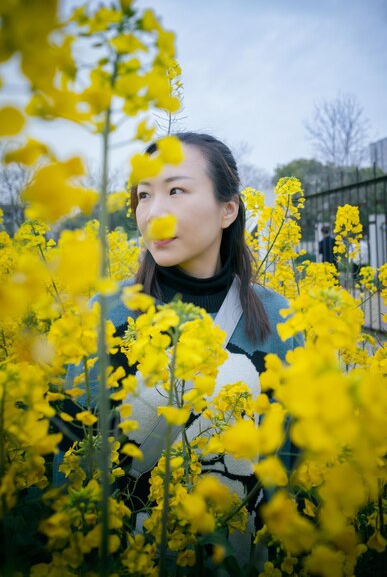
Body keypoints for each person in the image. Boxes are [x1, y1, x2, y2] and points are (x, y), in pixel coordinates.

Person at [58, 132, 301, 563]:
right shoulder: (107, 313)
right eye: (143, 195)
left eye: (176, 190)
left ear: (228, 209)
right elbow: (70, 455)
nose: (153, 213)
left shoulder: (279, 320)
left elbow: (292, 466)